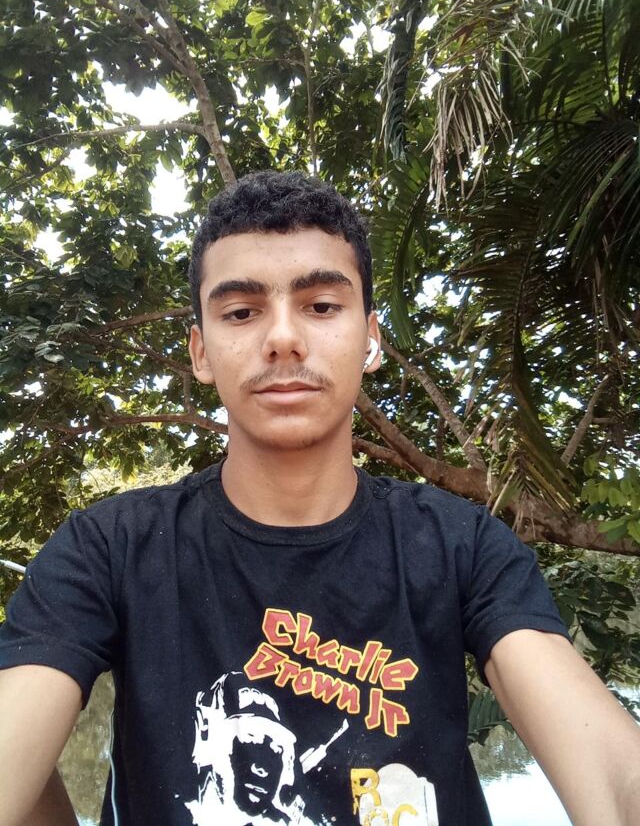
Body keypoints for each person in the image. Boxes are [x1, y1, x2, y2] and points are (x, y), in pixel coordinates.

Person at [0, 170, 639, 826]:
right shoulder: (107, 550)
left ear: (370, 340)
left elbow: (615, 776)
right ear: (200, 351)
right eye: (241, 312)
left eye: (323, 305)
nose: (283, 337)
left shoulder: (462, 546)